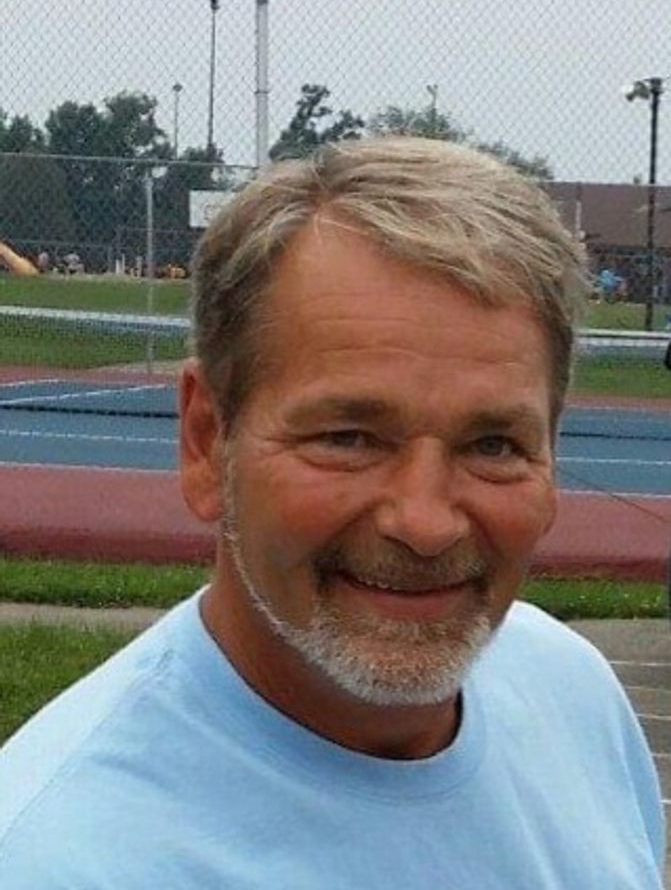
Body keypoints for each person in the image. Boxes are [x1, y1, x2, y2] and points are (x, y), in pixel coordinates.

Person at [0, 138, 665, 888]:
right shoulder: (64, 860)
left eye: (493, 445)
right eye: (348, 438)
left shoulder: (570, 692)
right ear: (206, 442)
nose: (424, 524)